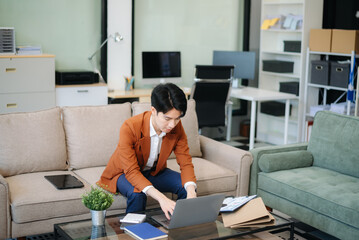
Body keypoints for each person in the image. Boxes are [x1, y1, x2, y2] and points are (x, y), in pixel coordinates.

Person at [97, 83, 197, 220]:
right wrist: (162, 198)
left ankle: (180, 227)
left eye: (177, 118)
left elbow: (185, 162)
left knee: (187, 186)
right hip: (124, 173)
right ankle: (132, 232)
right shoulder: (130, 127)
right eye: (167, 119)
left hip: (154, 172)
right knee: (137, 193)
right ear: (153, 110)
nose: (172, 125)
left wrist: (191, 191)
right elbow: (131, 171)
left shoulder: (176, 128)